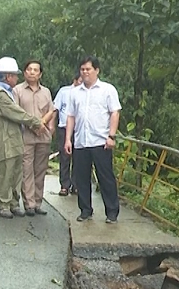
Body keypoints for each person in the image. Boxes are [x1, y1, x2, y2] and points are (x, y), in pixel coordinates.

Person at [0, 57, 47, 219]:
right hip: (3, 138)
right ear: (7, 76)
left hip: (14, 137)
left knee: (16, 172)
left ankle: (13, 202)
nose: (17, 78)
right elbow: (15, 112)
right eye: (14, 75)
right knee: (5, 171)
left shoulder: (8, 92)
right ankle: (2, 204)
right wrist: (35, 122)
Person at [65, 56, 121, 224]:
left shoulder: (107, 90)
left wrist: (111, 135)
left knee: (106, 178)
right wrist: (68, 139)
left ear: (97, 70)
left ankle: (111, 212)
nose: (85, 72)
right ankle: (85, 210)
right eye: (82, 69)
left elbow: (115, 112)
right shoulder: (74, 92)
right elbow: (70, 116)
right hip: (81, 141)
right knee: (81, 178)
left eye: (88, 69)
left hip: (100, 141)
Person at [13, 59, 55, 216]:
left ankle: (38, 202)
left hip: (43, 136)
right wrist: (33, 125)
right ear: (24, 72)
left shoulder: (46, 92)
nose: (32, 72)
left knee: (40, 170)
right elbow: (16, 112)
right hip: (26, 135)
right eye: (29, 69)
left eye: (35, 70)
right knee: (26, 170)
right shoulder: (17, 90)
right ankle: (29, 204)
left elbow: (51, 110)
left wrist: (42, 125)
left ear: (40, 74)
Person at [53, 72, 82, 196]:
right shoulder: (64, 92)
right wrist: (52, 126)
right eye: (80, 81)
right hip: (64, 128)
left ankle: (76, 185)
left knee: (79, 158)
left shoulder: (85, 92)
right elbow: (56, 109)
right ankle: (64, 185)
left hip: (79, 129)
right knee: (64, 157)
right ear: (75, 80)